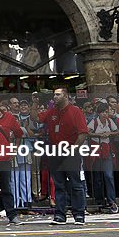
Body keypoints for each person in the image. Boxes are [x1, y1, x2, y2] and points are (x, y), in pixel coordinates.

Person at [39, 88, 89, 224]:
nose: (54, 97)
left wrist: (74, 148)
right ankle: (60, 215)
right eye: (53, 94)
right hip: (56, 151)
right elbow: (36, 118)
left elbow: (83, 132)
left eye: (57, 94)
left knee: (76, 184)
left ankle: (79, 214)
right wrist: (34, 103)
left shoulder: (75, 111)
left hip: (70, 151)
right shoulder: (52, 112)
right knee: (59, 184)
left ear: (66, 96)